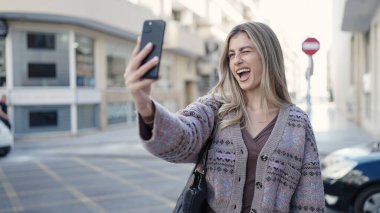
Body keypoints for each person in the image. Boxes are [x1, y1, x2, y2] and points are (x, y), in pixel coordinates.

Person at [124, 22, 325, 213]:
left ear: (268, 56)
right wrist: (144, 104)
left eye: (245, 51)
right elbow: (182, 136)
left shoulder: (298, 123)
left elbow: (309, 201)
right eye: (231, 54)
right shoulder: (215, 108)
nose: (236, 60)